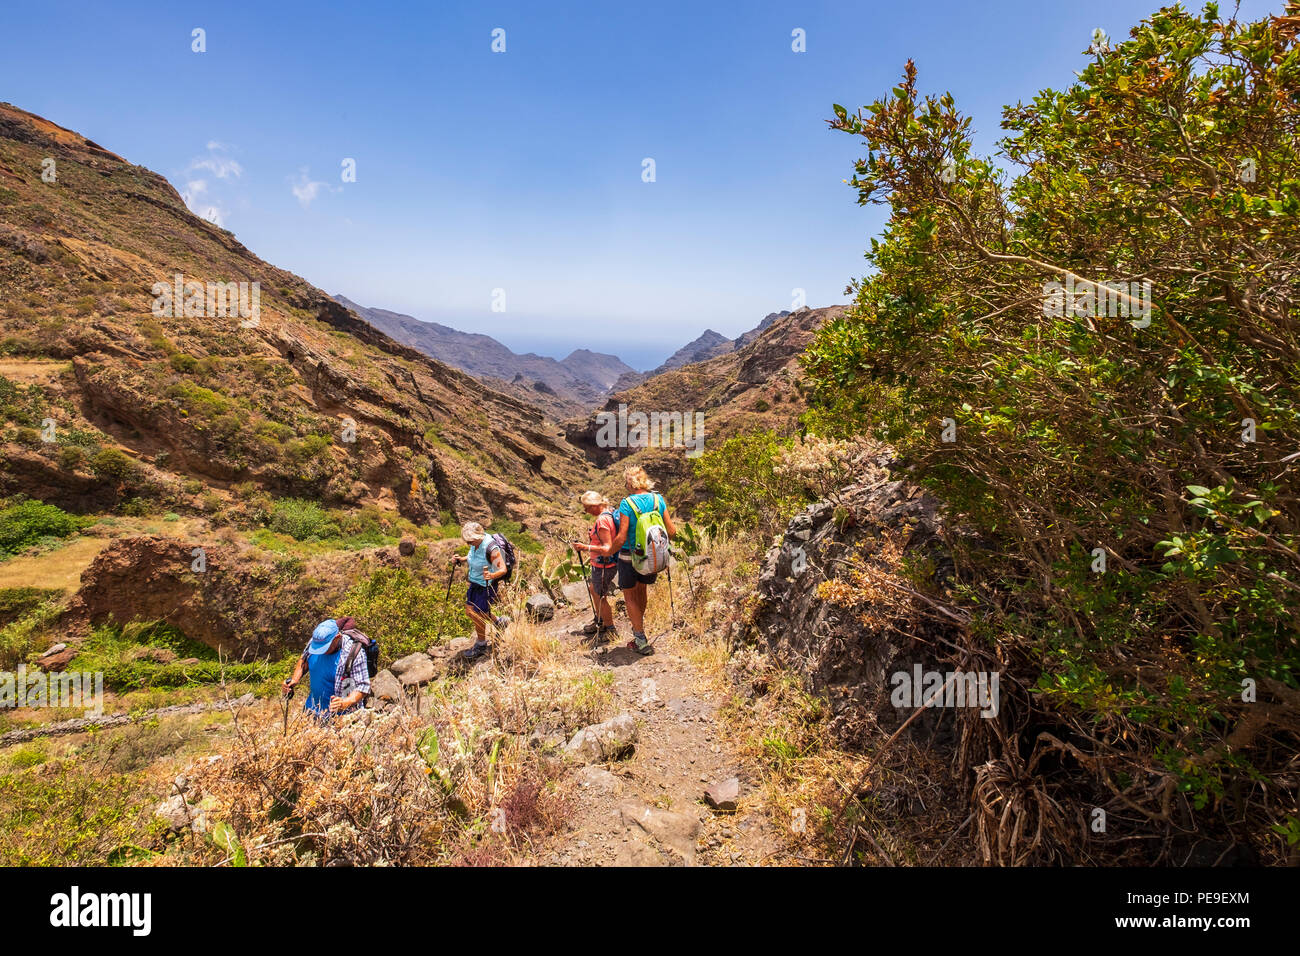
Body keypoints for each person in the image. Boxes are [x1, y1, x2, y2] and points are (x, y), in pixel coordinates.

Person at [609, 465, 676, 655]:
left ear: (630, 483)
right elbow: (672, 531)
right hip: (652, 556)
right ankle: (640, 629)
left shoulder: (626, 504)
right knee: (642, 590)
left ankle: (640, 639)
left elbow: (621, 538)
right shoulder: (658, 499)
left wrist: (608, 551)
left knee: (630, 596)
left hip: (629, 557)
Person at [281, 618, 370, 719]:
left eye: (325, 647)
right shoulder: (317, 641)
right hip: (312, 710)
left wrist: (345, 703)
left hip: (341, 717)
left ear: (337, 638)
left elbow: (363, 687)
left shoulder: (354, 652)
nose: (320, 651)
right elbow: (304, 658)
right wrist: (294, 679)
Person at [451, 521, 508, 661]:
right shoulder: (475, 544)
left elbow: (502, 569)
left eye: (470, 540)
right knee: (470, 611)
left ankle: (481, 644)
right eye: (467, 541)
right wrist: (461, 559)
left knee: (477, 614)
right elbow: (473, 557)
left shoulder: (491, 547)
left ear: (478, 536)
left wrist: (492, 575)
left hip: (486, 586)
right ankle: (499, 622)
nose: (468, 543)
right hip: (475, 583)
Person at [572, 490, 619, 644]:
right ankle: (599, 620)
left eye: (587, 507)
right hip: (603, 564)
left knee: (600, 597)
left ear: (595, 505)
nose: (586, 511)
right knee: (594, 589)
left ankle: (610, 629)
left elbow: (607, 547)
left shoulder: (602, 521)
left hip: (605, 565)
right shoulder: (610, 512)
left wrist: (585, 547)